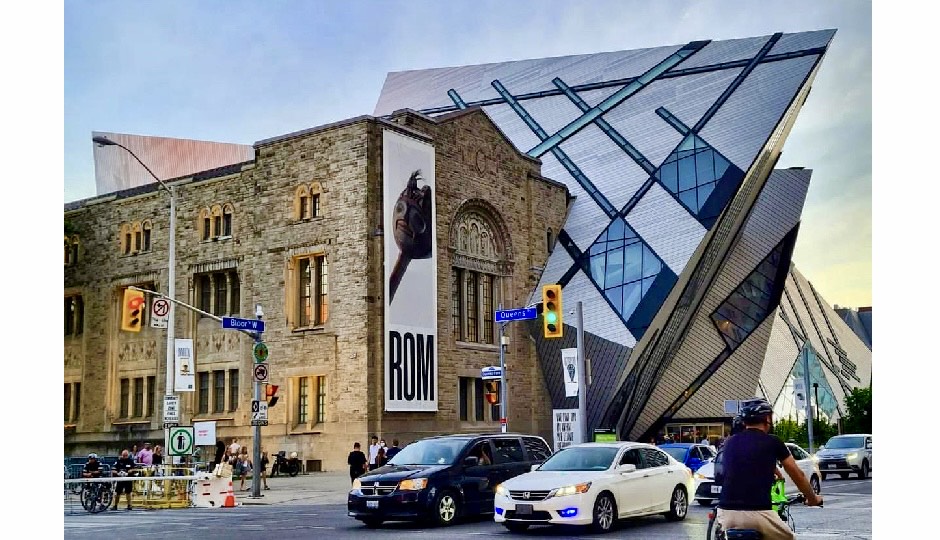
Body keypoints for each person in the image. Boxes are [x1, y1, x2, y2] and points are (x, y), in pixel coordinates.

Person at [716, 399, 822, 540]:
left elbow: (747, 462)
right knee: (789, 538)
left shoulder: (729, 442)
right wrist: (812, 498)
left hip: (726, 513)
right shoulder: (773, 441)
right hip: (758, 513)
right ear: (767, 418)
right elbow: (797, 474)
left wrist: (773, 470)